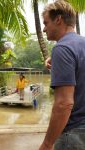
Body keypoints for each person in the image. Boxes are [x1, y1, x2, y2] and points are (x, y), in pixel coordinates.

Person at [39, 1, 85, 150]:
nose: (44, 29)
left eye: (46, 23)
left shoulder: (62, 48)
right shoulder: (80, 44)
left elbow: (64, 104)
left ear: (58, 19)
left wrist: (47, 143)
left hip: (73, 134)